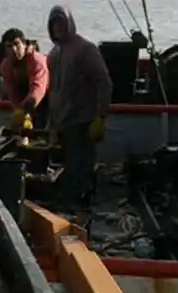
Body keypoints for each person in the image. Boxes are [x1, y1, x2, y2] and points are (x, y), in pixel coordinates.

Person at [46, 5, 112, 205]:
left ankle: (81, 207)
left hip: (83, 122)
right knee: (67, 169)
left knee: (81, 169)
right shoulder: (53, 54)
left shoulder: (85, 49)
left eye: (61, 22)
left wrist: (100, 116)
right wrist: (52, 124)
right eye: (54, 23)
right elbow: (54, 91)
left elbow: (104, 82)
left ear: (69, 23)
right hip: (62, 123)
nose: (58, 27)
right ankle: (72, 207)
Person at [0, 28, 49, 132]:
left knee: (40, 128)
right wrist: (18, 110)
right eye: (9, 46)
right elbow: (12, 93)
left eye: (16, 44)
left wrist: (23, 110)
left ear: (25, 44)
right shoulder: (5, 66)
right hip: (25, 101)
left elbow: (38, 89)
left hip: (48, 97)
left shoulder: (37, 61)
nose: (13, 49)